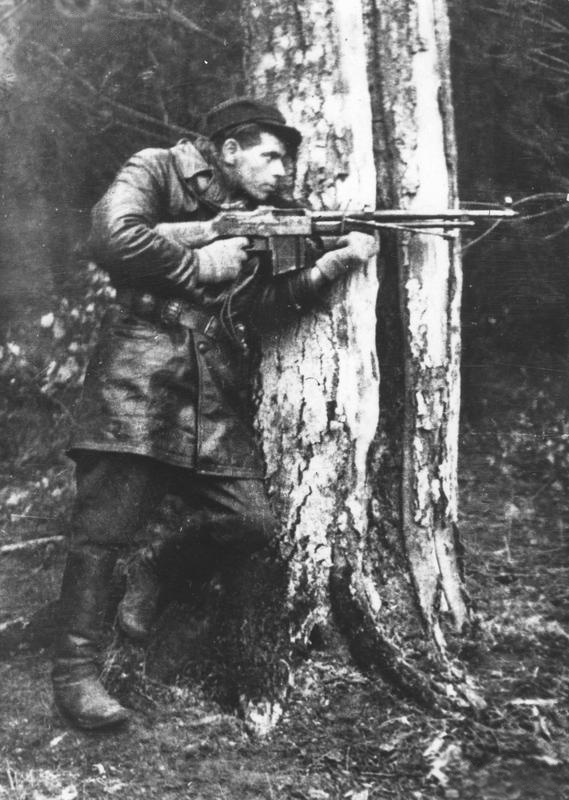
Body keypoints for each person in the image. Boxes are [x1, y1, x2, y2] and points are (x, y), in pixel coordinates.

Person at [52, 97, 379, 730]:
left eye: (289, 160)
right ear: (228, 151)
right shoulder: (157, 168)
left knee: (251, 522)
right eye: (272, 156)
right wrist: (203, 251)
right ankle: (76, 676)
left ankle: (159, 569)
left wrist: (333, 264)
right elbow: (112, 234)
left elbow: (260, 306)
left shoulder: (267, 218)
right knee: (101, 533)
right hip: (139, 369)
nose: (285, 171)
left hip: (211, 385)